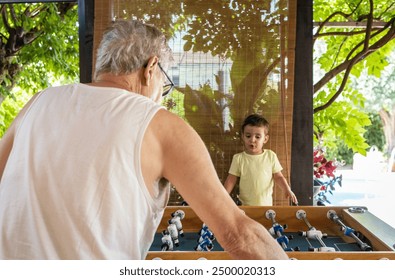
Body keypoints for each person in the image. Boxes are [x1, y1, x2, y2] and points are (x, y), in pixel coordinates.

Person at [0, 19, 288, 260]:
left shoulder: (37, 104)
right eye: (165, 85)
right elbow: (238, 234)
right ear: (151, 68)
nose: (162, 95)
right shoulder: (161, 126)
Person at [224, 114, 298, 206]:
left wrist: (287, 189)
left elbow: (278, 177)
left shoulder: (271, 156)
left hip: (266, 206)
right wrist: (223, 197)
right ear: (243, 136)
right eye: (248, 136)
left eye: (257, 137)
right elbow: (231, 179)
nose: (252, 140)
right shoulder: (238, 158)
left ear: (265, 139)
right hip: (245, 207)